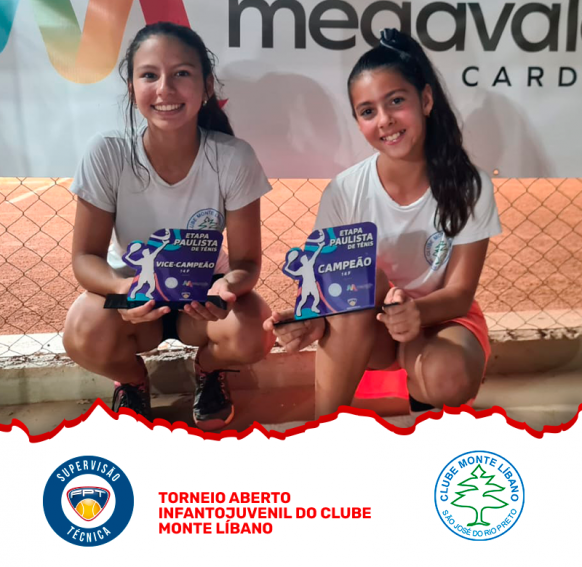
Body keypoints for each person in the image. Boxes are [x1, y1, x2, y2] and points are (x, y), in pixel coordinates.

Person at [265, 28, 501, 418]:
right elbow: (327, 288)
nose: (385, 120)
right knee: (361, 278)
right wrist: (312, 321)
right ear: (358, 121)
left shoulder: (469, 185)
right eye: (368, 111)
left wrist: (415, 314)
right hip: (369, 325)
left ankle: (425, 404)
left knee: (448, 374)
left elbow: (459, 294)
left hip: (441, 318)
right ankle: (325, 429)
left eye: (396, 101)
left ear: (426, 100)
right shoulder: (344, 191)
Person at [64, 22, 275, 429]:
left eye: (181, 73)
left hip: (204, 301)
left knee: (255, 332)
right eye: (149, 75)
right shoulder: (107, 153)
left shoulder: (233, 157)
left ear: (206, 86)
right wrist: (123, 290)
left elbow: (247, 263)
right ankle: (132, 381)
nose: (165, 89)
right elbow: (85, 258)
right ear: (131, 87)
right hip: (134, 300)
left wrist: (226, 289)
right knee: (82, 331)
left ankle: (209, 369)